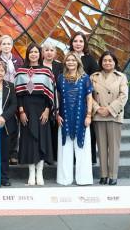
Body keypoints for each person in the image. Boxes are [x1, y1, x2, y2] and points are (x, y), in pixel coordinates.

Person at [15, 43, 55, 186]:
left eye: (36, 52)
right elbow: (18, 94)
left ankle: (40, 173)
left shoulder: (46, 71)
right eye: (31, 52)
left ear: (40, 54)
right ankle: (31, 173)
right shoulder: (20, 71)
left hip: (42, 110)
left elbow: (51, 94)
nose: (33, 54)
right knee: (29, 142)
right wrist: (21, 111)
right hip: (26, 109)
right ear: (27, 54)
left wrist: (47, 110)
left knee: (41, 140)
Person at [90, 51, 128, 186]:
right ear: (101, 62)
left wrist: (110, 109)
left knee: (113, 147)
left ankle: (113, 175)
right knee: (101, 147)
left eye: (110, 60)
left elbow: (123, 96)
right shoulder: (94, 77)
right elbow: (89, 96)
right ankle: (103, 175)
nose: (107, 63)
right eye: (105, 60)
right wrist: (97, 108)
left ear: (115, 62)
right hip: (99, 115)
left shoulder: (121, 77)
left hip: (114, 115)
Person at [56, 52, 94, 186]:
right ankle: (64, 179)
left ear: (78, 62)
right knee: (65, 149)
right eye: (68, 60)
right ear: (65, 63)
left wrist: (89, 115)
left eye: (73, 60)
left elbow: (89, 98)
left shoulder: (85, 78)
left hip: (81, 117)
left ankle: (83, 179)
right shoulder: (60, 78)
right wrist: (57, 114)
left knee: (82, 149)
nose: (71, 62)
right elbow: (57, 98)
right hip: (64, 117)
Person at [0, 35, 23, 164]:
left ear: (12, 45)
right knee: (2, 122)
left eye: (9, 44)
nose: (6, 46)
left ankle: (14, 152)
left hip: (16, 93)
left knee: (14, 124)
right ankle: (2, 152)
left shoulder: (18, 60)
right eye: (4, 44)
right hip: (1, 94)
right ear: (0, 46)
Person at [67, 31, 99, 164]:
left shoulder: (89, 59)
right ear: (71, 43)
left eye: (81, 41)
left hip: (86, 99)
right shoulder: (68, 58)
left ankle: (89, 158)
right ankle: (73, 158)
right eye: (75, 41)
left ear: (85, 44)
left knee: (87, 129)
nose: (78, 44)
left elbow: (95, 78)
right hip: (70, 100)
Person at [42, 39, 63, 164]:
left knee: (55, 128)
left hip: (57, 101)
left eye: (51, 50)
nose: (49, 53)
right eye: (46, 50)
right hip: (42, 102)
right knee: (44, 129)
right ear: (42, 52)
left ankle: (55, 156)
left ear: (55, 52)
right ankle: (45, 155)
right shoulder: (38, 65)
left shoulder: (59, 66)